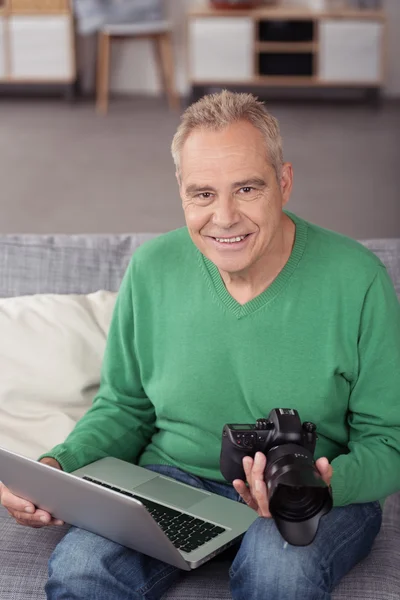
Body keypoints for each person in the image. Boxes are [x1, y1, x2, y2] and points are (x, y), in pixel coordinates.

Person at [1, 90, 400, 600]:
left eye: (248, 189)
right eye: (203, 193)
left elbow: (388, 440)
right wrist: (56, 468)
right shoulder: (151, 269)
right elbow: (124, 407)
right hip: (173, 479)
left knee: (279, 576)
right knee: (81, 569)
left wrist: (321, 482)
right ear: (181, 191)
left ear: (284, 182)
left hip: (308, 493)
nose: (225, 217)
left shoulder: (358, 280)